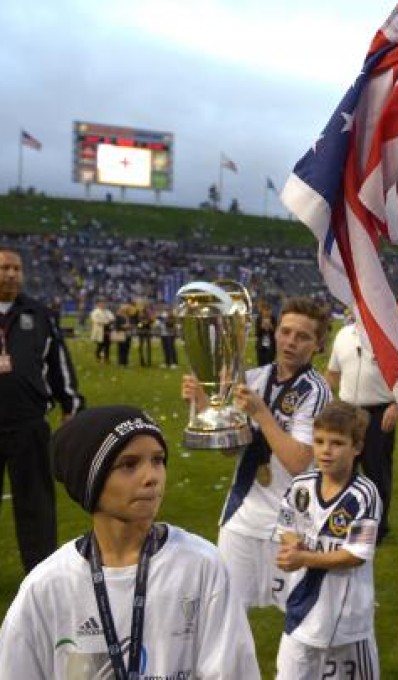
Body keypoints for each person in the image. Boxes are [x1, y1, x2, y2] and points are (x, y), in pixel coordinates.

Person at [0, 406, 260, 678]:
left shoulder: (202, 566)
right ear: (90, 480)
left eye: (157, 460)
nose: (152, 478)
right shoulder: (46, 587)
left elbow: (233, 670)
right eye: (129, 464)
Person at [181, 296, 333, 610]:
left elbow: (298, 462)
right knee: (227, 616)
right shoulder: (252, 378)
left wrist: (261, 413)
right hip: (242, 517)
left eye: (303, 336)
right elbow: (232, 450)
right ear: (275, 332)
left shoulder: (316, 391)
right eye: (286, 331)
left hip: (292, 523)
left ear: (318, 345)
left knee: (298, 621)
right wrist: (204, 408)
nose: (291, 341)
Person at [273, 401, 381, 680]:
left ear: (356, 447)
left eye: (336, 443)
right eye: (319, 441)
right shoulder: (301, 486)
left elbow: (355, 554)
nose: (325, 450)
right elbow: (286, 525)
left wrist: (303, 558)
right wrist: (293, 541)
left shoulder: (364, 495)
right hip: (301, 611)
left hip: (348, 621)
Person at [0, 247, 85, 573]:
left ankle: (40, 574)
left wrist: (71, 405)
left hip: (29, 423)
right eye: (5, 267)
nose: (11, 274)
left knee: (35, 503)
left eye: (17, 268)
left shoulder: (39, 315)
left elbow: (59, 365)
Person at [326, 321, 398, 542]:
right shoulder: (342, 335)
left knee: (377, 472)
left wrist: (397, 405)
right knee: (341, 471)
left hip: (379, 413)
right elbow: (332, 373)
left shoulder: (390, 335)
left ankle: (377, 529)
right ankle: (341, 523)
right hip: (347, 412)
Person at [88, 299, 114, 364]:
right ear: (98, 304)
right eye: (101, 303)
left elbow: (112, 318)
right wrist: (106, 321)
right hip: (100, 330)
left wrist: (107, 321)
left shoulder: (107, 311)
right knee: (100, 345)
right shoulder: (95, 312)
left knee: (108, 345)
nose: (103, 305)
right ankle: (98, 357)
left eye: (104, 303)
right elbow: (96, 320)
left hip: (108, 329)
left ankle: (107, 358)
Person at [255, 299, 278, 366]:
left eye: (269, 310)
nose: (267, 312)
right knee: (260, 364)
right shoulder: (259, 319)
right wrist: (262, 327)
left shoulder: (273, 319)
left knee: (269, 363)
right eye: (265, 310)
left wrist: (271, 327)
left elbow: (276, 333)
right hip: (261, 345)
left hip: (271, 345)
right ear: (262, 311)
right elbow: (257, 334)